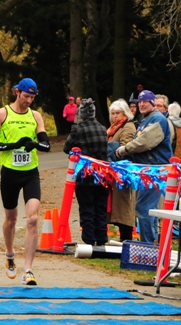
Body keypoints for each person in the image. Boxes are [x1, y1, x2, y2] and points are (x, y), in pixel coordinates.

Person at [0, 78, 50, 286]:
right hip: (9, 173)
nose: (29, 101)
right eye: (26, 96)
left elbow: (46, 145)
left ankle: (28, 270)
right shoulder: (1, 113)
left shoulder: (36, 116)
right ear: (17, 93)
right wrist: (12, 146)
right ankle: (10, 254)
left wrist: (34, 144)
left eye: (32, 97)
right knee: (11, 220)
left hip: (31, 173)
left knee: (32, 219)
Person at [115, 90, 172, 243]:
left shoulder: (157, 120)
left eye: (145, 101)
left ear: (153, 103)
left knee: (143, 207)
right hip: (147, 170)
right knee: (149, 209)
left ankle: (147, 245)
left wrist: (124, 149)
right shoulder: (146, 119)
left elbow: (144, 142)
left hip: (154, 171)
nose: (141, 104)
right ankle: (151, 243)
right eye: (140, 102)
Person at [64, 99, 109, 246]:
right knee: (100, 208)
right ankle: (101, 239)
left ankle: (89, 239)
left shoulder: (78, 129)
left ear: (81, 114)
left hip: (85, 174)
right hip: (103, 174)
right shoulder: (102, 128)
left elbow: (66, 148)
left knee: (87, 207)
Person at [107, 99, 136, 241]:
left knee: (124, 209)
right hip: (113, 173)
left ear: (125, 113)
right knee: (116, 209)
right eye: (112, 113)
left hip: (124, 172)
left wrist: (111, 149)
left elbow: (127, 147)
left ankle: (127, 240)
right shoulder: (113, 128)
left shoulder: (128, 127)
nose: (114, 116)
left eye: (117, 113)